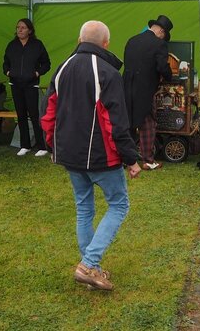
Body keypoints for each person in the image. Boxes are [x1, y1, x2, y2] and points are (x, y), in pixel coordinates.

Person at [40, 20, 141, 291]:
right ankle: (88, 265)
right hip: (100, 156)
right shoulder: (108, 72)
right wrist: (131, 158)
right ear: (106, 44)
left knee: (84, 208)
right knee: (119, 205)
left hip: (70, 154)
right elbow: (116, 122)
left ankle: (91, 268)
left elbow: (47, 113)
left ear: (79, 39)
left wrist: (53, 145)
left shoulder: (61, 68)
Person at [123, 14, 173, 170]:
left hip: (126, 87)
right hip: (145, 89)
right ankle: (148, 160)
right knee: (148, 123)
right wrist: (169, 76)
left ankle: (127, 159)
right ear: (161, 32)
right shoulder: (159, 44)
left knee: (128, 123)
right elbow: (162, 67)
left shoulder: (131, 40)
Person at [3, 18, 51, 157]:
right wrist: (8, 72)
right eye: (18, 27)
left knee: (34, 115)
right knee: (21, 115)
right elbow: (5, 62)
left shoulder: (37, 45)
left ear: (30, 30)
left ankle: (42, 146)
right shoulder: (12, 45)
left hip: (31, 84)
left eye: (23, 27)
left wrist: (37, 73)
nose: (20, 30)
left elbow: (46, 63)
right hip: (15, 84)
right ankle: (25, 145)